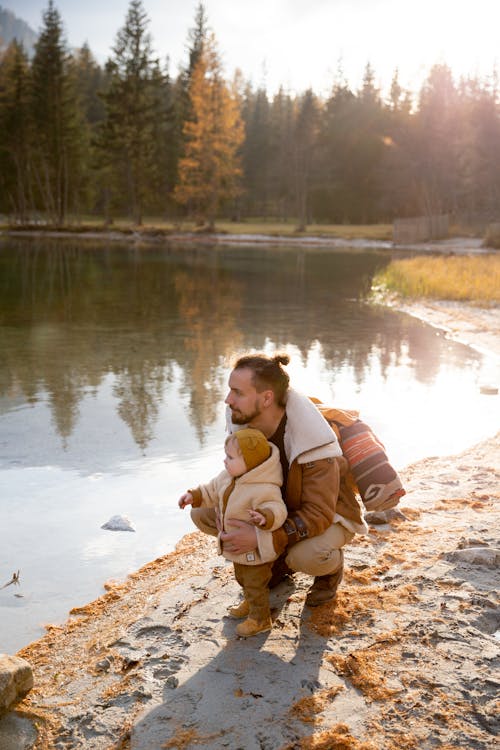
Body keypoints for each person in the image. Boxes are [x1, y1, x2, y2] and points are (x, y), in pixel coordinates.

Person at [190, 353, 368, 608]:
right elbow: (233, 479)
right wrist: (223, 507)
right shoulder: (243, 427)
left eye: (238, 392)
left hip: (328, 516)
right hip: (273, 509)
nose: (228, 400)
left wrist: (262, 539)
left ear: (266, 398)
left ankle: (330, 571)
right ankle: (275, 564)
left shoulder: (314, 440)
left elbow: (318, 514)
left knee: (307, 556)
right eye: (230, 390)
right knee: (203, 513)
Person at [179, 428, 287, 637]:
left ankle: (260, 619)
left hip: (255, 550)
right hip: (238, 548)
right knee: (242, 577)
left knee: (256, 583)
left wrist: (265, 517)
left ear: (249, 461)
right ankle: (249, 602)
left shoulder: (264, 487)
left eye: (230, 457)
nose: (224, 461)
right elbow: (211, 490)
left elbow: (277, 508)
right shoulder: (227, 476)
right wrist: (194, 495)